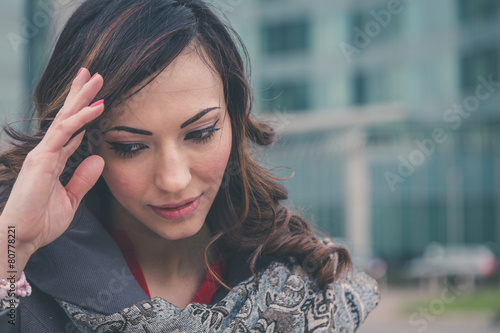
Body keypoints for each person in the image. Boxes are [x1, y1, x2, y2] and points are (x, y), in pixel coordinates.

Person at [0, 0, 379, 332]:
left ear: (234, 118)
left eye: (199, 134)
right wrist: (12, 247)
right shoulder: (23, 267)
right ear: (80, 144)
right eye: (131, 146)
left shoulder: (302, 283)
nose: (174, 179)